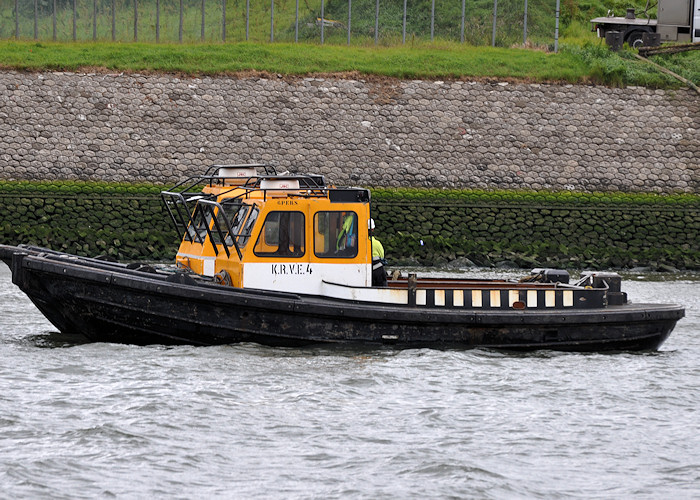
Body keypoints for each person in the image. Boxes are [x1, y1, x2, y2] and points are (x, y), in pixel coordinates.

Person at [369, 219, 388, 287]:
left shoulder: (358, 243)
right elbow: (382, 256)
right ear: (373, 229)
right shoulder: (377, 243)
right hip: (378, 271)